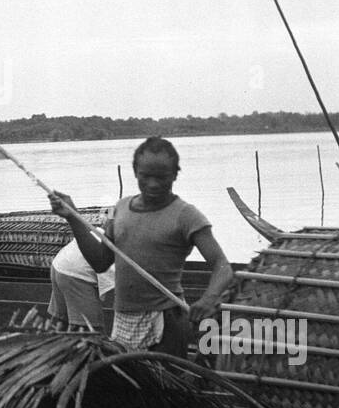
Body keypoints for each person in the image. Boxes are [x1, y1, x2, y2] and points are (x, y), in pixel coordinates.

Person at [49, 137, 234, 355]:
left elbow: (222, 266)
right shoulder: (120, 209)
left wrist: (209, 299)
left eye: (162, 177)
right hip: (124, 318)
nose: (153, 184)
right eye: (146, 177)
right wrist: (73, 218)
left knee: (167, 384)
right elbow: (100, 262)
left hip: (166, 320)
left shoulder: (186, 216)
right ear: (135, 172)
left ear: (175, 175)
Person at [47, 221, 115, 331]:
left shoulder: (99, 232)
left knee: (62, 321)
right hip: (74, 275)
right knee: (90, 327)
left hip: (59, 265)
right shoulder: (114, 247)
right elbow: (111, 288)